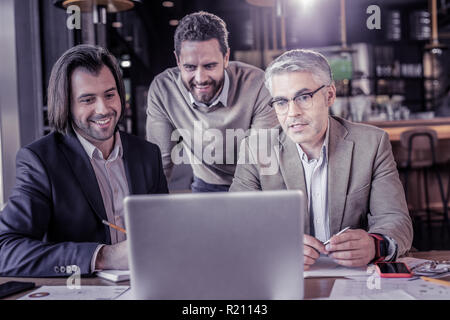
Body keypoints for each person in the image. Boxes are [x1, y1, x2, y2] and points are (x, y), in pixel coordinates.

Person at [230, 49, 413, 269]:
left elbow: (395, 219)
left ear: (330, 95)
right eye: (281, 102)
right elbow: (236, 225)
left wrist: (376, 245)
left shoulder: (372, 144)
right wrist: (275, 245)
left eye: (304, 97)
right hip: (284, 274)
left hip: (354, 277)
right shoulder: (255, 148)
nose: (292, 112)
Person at [0, 45, 168, 277]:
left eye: (110, 95)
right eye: (88, 100)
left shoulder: (148, 155)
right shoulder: (40, 161)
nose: (103, 109)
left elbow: (165, 233)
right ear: (66, 105)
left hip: (152, 283)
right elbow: (6, 250)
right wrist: (104, 256)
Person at [146, 11, 278, 192]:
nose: (200, 78)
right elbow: (160, 163)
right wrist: (148, 211)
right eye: (190, 67)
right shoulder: (163, 90)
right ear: (178, 60)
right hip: (206, 184)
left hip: (255, 183)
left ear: (225, 58)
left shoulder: (258, 85)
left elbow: (260, 161)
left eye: (209, 66)